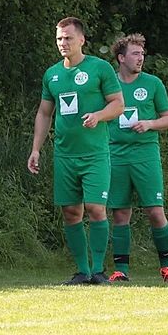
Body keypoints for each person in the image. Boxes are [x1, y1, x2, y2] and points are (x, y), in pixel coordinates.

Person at [28, 17, 124, 285]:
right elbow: (45, 113)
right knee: (71, 212)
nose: (63, 43)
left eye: (68, 38)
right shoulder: (52, 74)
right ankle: (82, 271)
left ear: (81, 39)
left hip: (95, 154)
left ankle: (98, 270)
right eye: (59, 38)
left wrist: (99, 116)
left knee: (95, 208)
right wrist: (36, 149)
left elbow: (118, 104)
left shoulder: (100, 68)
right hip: (65, 156)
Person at [106, 34, 168, 283]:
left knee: (155, 211)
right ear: (121, 57)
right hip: (115, 155)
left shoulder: (153, 84)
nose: (141, 58)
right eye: (135, 54)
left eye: (142, 54)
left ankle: (167, 268)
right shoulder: (109, 84)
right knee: (120, 214)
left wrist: (149, 124)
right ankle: (121, 271)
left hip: (145, 155)